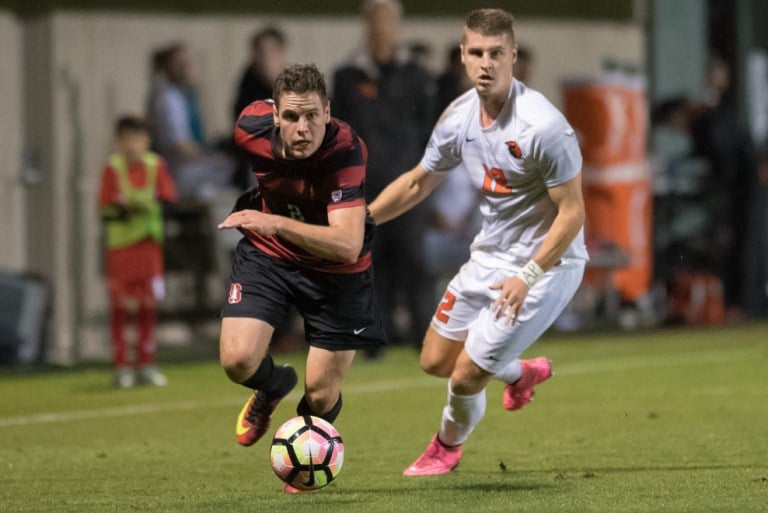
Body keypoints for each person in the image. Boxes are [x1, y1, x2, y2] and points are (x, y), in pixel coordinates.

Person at [368, 8, 588, 475]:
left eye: (495, 53)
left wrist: (527, 276)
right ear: (463, 57)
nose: (485, 63)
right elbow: (417, 182)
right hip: (488, 256)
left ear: (512, 55)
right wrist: (365, 222)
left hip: (548, 264)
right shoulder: (457, 117)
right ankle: (520, 371)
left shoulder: (542, 126)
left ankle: (446, 447)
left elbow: (572, 213)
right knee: (434, 360)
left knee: (466, 375)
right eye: (476, 54)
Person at [217, 64, 385, 492]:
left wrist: (276, 224)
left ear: (327, 111)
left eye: (312, 115)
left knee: (322, 392)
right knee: (237, 361)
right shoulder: (248, 128)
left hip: (337, 271)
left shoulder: (345, 150)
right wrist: (269, 229)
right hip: (269, 257)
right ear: (275, 115)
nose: (303, 127)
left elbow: (346, 244)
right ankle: (272, 385)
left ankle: (308, 455)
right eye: (292, 117)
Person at [333, 0, 437, 351]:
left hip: (409, 187)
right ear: (366, 25)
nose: (382, 27)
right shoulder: (347, 76)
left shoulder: (417, 75)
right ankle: (373, 342)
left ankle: (426, 337)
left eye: (388, 19)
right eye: (376, 20)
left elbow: (429, 131)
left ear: (398, 25)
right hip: (363, 188)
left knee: (414, 262)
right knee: (367, 264)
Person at [99, 115, 177, 388]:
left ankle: (146, 363)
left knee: (147, 307)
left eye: (138, 139)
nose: (133, 145)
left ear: (147, 141)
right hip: (121, 251)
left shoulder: (156, 166)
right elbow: (106, 209)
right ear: (119, 142)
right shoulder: (113, 168)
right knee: (121, 308)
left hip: (148, 250)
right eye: (127, 139)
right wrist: (127, 210)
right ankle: (122, 366)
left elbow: (168, 200)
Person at [147, 42, 234, 198]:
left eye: (188, 62)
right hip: (179, 169)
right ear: (168, 68)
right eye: (179, 64)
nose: (186, 67)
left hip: (190, 164)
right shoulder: (168, 98)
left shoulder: (188, 94)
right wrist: (209, 155)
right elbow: (181, 145)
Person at [232, 26, 288, 120]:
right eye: (261, 52)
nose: (267, 58)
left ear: (282, 52)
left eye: (271, 51)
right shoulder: (249, 80)